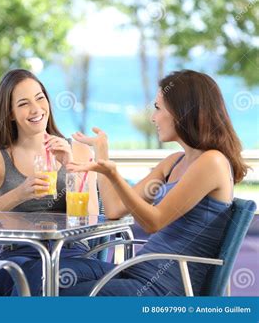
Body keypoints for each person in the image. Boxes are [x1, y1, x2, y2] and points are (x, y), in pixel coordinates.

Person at [46, 69, 248, 296]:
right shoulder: (173, 162)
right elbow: (114, 210)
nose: (153, 117)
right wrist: (102, 154)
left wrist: (114, 176)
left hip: (163, 289)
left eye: (158, 108)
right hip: (137, 272)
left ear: (183, 111)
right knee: (43, 274)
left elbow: (154, 222)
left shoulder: (212, 162)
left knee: (59, 294)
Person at [0, 69, 101, 296]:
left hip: (71, 254)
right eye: (23, 103)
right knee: (34, 279)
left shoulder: (78, 150)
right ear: (10, 114)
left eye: (40, 98)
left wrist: (71, 168)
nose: (36, 109)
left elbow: (92, 216)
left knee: (44, 280)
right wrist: (20, 193)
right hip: (20, 255)